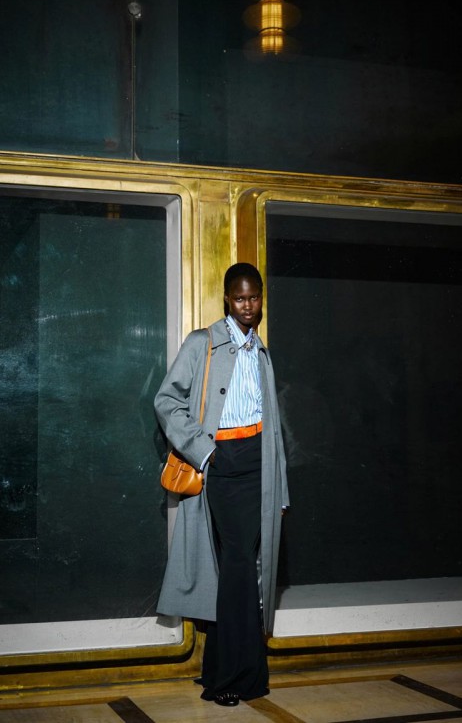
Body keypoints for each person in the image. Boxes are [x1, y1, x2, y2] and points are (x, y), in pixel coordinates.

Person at [154, 262, 289, 707]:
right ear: (227, 299)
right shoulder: (203, 343)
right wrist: (205, 451)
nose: (248, 306)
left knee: (244, 568)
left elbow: (273, 427)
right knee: (236, 566)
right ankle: (233, 675)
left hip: (258, 467)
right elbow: (167, 399)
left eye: (254, 298)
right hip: (222, 464)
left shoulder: (260, 350)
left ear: (261, 299)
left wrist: (280, 489)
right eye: (240, 298)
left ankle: (226, 670)